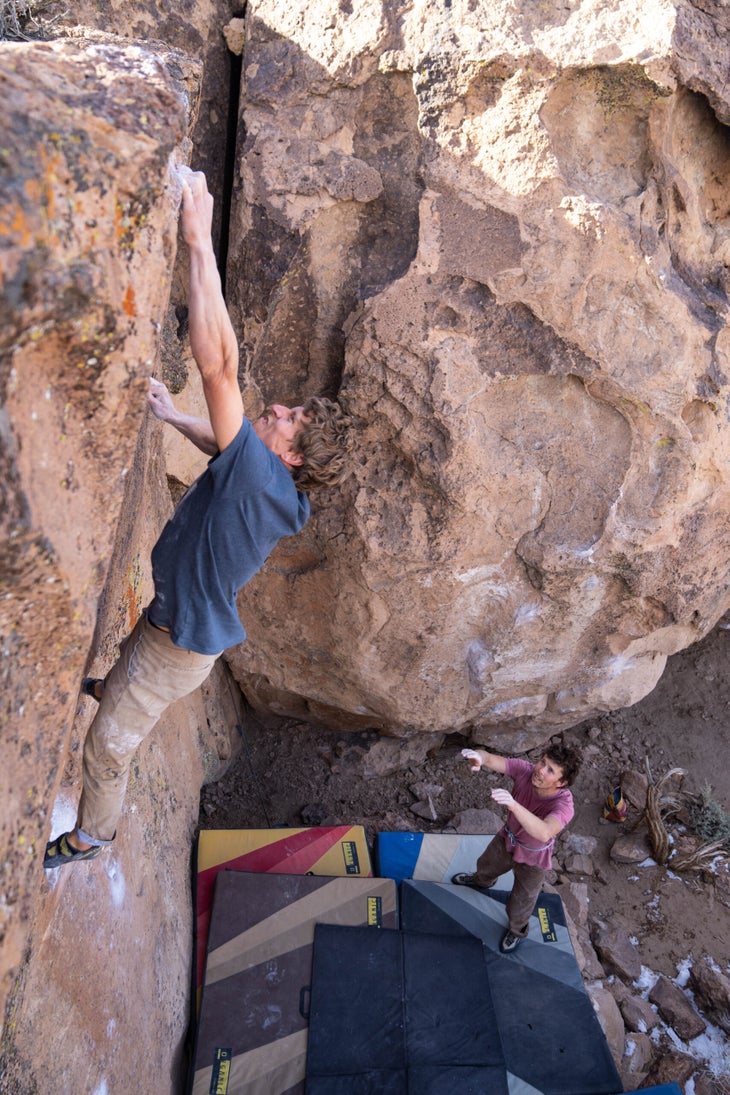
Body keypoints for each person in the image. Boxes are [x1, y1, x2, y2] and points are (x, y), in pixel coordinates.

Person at [44, 169, 352, 869]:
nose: (276, 410)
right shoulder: (277, 489)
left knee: (108, 745)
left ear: (295, 456)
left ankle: (93, 835)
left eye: (289, 418)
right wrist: (172, 415)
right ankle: (116, 686)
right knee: (130, 663)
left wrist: (196, 238)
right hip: (184, 626)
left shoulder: (261, 470)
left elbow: (219, 365)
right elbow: (225, 444)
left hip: (177, 645)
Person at [451, 743, 581, 953]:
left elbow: (545, 831)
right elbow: (493, 759)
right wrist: (479, 757)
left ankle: (517, 931)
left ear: (561, 782)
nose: (540, 770)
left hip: (534, 859)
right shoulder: (525, 770)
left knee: (522, 902)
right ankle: (480, 881)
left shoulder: (564, 804)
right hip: (507, 840)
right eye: (542, 762)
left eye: (550, 770)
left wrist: (513, 805)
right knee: (486, 865)